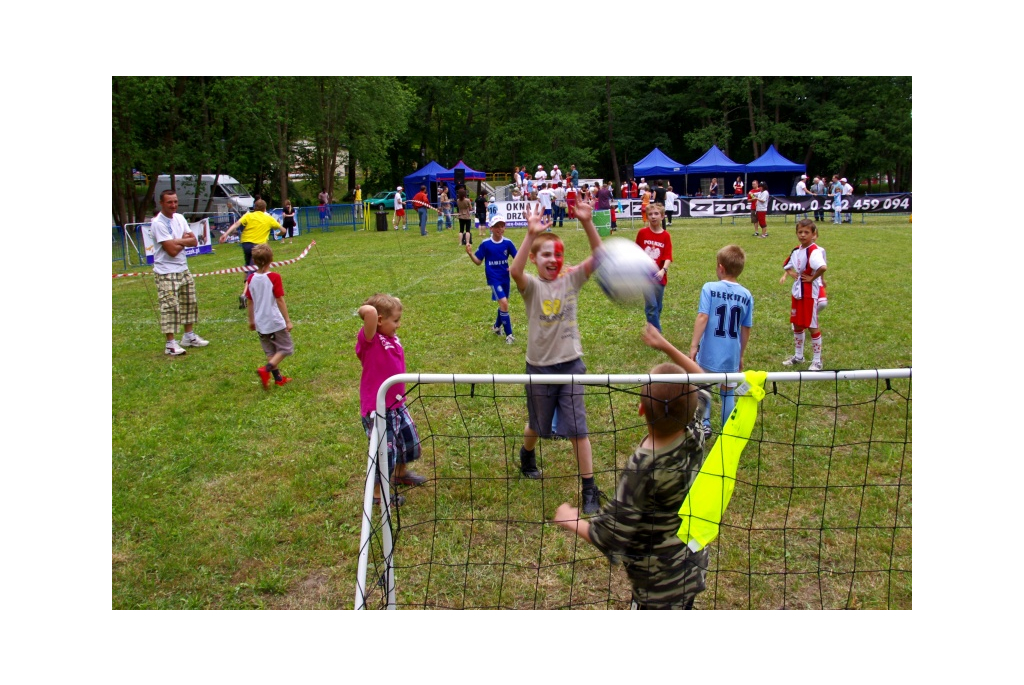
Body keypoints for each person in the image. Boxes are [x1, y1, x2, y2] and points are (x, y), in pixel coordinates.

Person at [553, 324, 711, 609]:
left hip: (656, 586)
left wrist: (570, 519)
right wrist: (665, 346)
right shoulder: (695, 431)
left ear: (640, 409)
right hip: (692, 566)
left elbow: (608, 536)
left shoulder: (643, 468)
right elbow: (704, 382)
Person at [509, 199, 604, 514]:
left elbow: (600, 257)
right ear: (535, 259)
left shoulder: (571, 279)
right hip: (538, 368)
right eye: (545, 254)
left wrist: (588, 222)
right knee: (538, 425)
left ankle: (590, 488)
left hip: (571, 365)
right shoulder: (531, 287)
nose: (553, 259)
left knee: (578, 427)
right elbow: (514, 270)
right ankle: (527, 454)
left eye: (557, 254)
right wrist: (529, 235)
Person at [357, 293, 427, 508]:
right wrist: (373, 309)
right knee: (384, 453)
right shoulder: (370, 339)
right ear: (379, 320)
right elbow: (367, 312)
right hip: (378, 409)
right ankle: (378, 494)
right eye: (395, 320)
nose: (398, 325)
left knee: (409, 443)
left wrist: (392, 305)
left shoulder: (389, 337)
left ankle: (400, 473)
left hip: (398, 404)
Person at [689, 244, 753, 438]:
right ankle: (727, 431)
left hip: (708, 352)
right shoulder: (746, 295)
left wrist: (693, 346)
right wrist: (740, 355)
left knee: (703, 387)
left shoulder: (709, 288)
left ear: (720, 267)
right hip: (731, 355)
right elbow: (746, 328)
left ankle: (705, 424)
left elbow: (702, 316)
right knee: (728, 393)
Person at [151, 189, 210, 355]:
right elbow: (171, 250)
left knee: (189, 303)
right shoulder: (158, 223)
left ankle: (188, 336)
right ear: (161, 203)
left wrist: (177, 241)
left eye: (175, 201)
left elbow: (194, 240)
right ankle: (170, 344)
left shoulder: (180, 218)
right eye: (169, 202)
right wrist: (183, 242)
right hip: (165, 271)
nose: (173, 205)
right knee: (170, 307)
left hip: (183, 268)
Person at [780, 219, 827, 371]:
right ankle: (798, 356)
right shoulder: (796, 250)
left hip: (809, 293)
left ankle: (817, 360)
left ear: (814, 234)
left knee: (812, 325)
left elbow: (822, 267)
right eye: (800, 232)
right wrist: (791, 274)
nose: (802, 235)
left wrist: (813, 278)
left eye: (806, 232)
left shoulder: (814, 251)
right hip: (798, 291)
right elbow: (786, 264)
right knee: (797, 324)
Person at [245, 243, 294, 389]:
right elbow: (279, 299)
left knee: (270, 351)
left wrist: (251, 320)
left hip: (260, 322)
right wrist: (288, 320)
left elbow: (250, 301)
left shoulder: (251, 278)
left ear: (254, 261)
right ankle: (266, 369)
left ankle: (278, 378)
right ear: (271, 260)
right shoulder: (274, 277)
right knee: (286, 348)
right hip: (274, 321)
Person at [220, 199, 285, 308]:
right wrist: (278, 233)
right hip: (258, 246)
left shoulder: (249, 215)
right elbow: (283, 230)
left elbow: (236, 224)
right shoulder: (268, 218)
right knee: (254, 269)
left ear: (255, 208)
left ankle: (255, 289)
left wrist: (225, 234)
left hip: (246, 244)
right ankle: (244, 294)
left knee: (248, 267)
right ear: (265, 208)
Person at [466, 215, 518, 344]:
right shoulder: (486, 244)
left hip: (505, 278)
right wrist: (471, 254)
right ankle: (509, 335)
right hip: (494, 279)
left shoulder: (508, 243)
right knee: (504, 303)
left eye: (502, 226)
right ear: (491, 228)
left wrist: (512, 266)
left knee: (503, 305)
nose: (500, 229)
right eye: (497, 226)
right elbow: (478, 261)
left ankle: (496, 327)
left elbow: (517, 257)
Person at [635, 203, 673, 331]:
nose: (653, 216)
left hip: (659, 276)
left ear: (662, 216)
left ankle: (651, 327)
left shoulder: (665, 236)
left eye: (656, 214)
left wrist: (664, 270)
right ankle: (656, 334)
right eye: (650, 214)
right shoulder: (642, 233)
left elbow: (668, 256)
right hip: (645, 276)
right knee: (651, 306)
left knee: (658, 306)